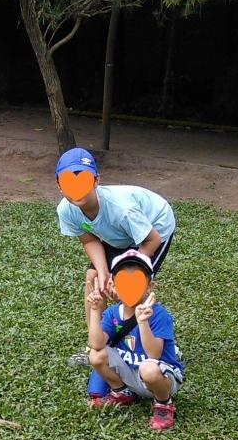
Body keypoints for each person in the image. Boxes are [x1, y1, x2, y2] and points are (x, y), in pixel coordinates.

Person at [55, 146, 177, 397]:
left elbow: (151, 239)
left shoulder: (120, 208)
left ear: (96, 181)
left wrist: (120, 278)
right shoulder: (66, 210)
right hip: (119, 234)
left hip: (153, 228)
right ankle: (96, 345)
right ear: (59, 186)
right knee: (93, 278)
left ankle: (152, 347)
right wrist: (103, 272)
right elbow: (89, 240)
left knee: (131, 288)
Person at [83, 250, 184, 430]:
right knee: (96, 355)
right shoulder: (113, 313)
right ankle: (122, 392)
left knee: (148, 368)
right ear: (113, 285)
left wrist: (142, 322)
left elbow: (154, 355)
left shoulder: (158, 315)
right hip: (131, 374)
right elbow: (96, 344)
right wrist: (95, 311)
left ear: (149, 286)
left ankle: (163, 403)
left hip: (161, 377)